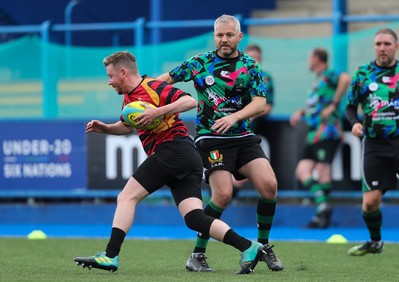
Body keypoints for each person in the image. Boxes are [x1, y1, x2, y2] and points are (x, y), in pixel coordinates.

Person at [73, 51, 271, 275]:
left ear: (122, 72)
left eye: (110, 76)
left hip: (173, 149)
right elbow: (128, 125)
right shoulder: (129, 97)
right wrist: (107, 129)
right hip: (186, 156)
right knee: (195, 219)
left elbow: (189, 101)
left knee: (126, 196)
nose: (109, 82)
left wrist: (158, 111)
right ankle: (250, 247)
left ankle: (110, 255)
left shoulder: (151, 86)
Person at [158, 14, 283, 272]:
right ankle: (197, 255)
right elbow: (165, 80)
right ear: (214, 37)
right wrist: (141, 94)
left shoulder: (250, 65)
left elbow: (260, 103)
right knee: (223, 195)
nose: (224, 39)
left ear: (240, 37)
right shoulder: (200, 62)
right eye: (219, 35)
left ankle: (262, 247)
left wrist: (234, 117)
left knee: (269, 185)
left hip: (242, 136)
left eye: (229, 35)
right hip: (211, 137)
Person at [346, 28, 399, 256]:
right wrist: (354, 123)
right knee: (369, 204)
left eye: (387, 43)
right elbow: (350, 107)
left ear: (395, 46)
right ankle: (375, 241)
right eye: (378, 44)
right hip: (374, 145)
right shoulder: (363, 73)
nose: (382, 48)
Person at [290, 48, 351, 228]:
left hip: (328, 130)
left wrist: (334, 104)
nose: (308, 61)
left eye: (310, 57)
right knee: (302, 170)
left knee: (323, 169)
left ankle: (322, 215)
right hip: (313, 132)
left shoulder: (328, 74)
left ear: (316, 58)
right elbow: (316, 104)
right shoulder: (317, 80)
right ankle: (323, 204)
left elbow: (346, 79)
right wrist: (302, 111)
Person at [231, 44, 275, 194]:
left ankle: (229, 196)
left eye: (256, 58)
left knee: (245, 170)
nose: (253, 61)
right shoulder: (236, 76)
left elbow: (267, 106)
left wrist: (249, 116)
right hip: (230, 128)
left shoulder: (265, 78)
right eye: (251, 57)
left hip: (251, 131)